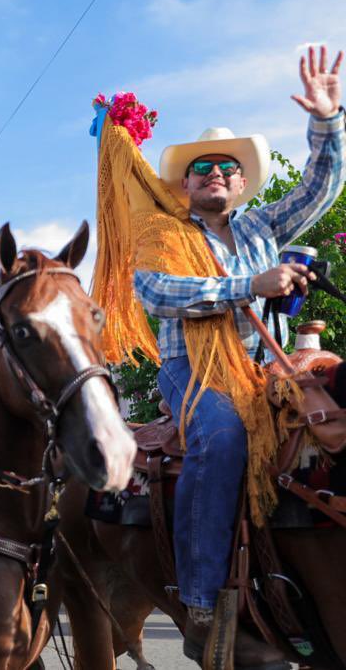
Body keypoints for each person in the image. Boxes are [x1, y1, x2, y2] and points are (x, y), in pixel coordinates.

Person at [124, 46, 345, 664]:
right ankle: (201, 601)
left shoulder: (264, 227)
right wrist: (249, 286)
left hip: (268, 368)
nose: (214, 174)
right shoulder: (164, 235)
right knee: (221, 436)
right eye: (202, 169)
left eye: (225, 167)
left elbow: (322, 186)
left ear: (242, 181)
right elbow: (157, 293)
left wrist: (327, 121)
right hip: (189, 371)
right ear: (185, 185)